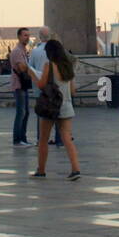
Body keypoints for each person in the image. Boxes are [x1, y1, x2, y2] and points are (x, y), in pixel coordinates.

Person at [30, 38, 80, 179]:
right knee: (67, 138)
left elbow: (41, 85)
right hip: (66, 105)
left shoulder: (49, 66)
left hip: (51, 106)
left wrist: (31, 74)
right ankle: (76, 169)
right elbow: (73, 90)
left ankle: (41, 170)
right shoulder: (68, 67)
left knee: (44, 139)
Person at [29, 28, 64, 147]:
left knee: (42, 112)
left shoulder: (35, 52)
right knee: (57, 111)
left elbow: (31, 68)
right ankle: (60, 139)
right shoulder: (56, 50)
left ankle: (41, 139)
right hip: (56, 85)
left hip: (41, 86)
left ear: (39, 37)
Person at [10, 27, 34, 147]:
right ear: (19, 36)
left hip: (23, 84)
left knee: (26, 112)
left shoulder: (24, 50)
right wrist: (29, 67)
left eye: (28, 35)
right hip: (18, 84)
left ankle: (23, 138)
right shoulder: (17, 51)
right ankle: (17, 139)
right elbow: (22, 67)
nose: (27, 37)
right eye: (25, 35)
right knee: (21, 112)